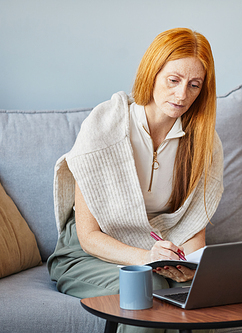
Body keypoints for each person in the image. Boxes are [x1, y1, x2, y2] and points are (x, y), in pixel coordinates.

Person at [47, 28, 224, 333]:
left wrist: (190, 268)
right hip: (89, 252)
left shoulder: (204, 143)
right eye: (173, 80)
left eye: (194, 85)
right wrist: (148, 257)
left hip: (158, 251)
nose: (182, 95)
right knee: (148, 287)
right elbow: (89, 236)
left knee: (200, 300)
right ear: (152, 73)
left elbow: (193, 229)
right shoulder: (105, 125)